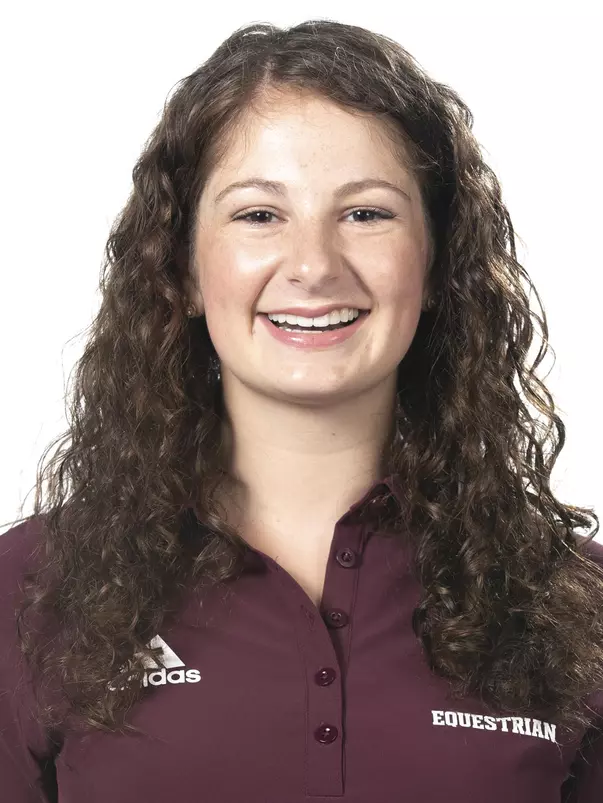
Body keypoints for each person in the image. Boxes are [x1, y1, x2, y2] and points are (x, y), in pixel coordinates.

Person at [0, 18, 602, 803]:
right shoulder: (29, 589)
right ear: (179, 269)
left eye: (366, 213)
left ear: (437, 264)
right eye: (258, 215)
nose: (314, 267)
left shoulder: (569, 606)